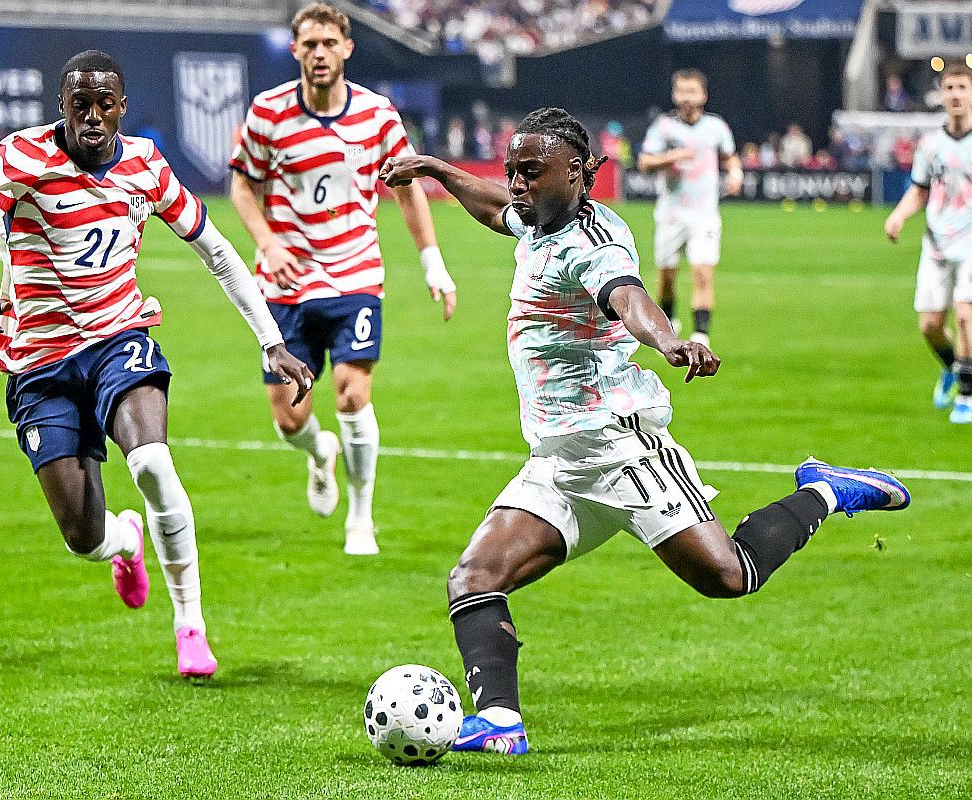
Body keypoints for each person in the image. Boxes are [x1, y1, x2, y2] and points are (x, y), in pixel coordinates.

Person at [381, 107, 911, 755]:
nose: (517, 184)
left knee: (729, 576)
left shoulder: (591, 245)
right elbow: (495, 208)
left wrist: (669, 340)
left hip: (621, 447)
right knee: (473, 579)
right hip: (559, 460)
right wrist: (436, 169)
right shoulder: (540, 218)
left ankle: (825, 490)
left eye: (531, 172)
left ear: (578, 173)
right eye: (513, 170)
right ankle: (499, 721)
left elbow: (628, 297)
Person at [0, 50, 313, 676]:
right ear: (62, 106)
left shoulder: (145, 164)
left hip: (119, 338)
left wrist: (270, 340)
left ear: (121, 108)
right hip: (38, 362)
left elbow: (218, 253)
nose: (93, 116)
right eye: (80, 104)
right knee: (81, 537)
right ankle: (124, 542)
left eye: (104, 105)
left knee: (152, 462)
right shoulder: (20, 157)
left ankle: (190, 625)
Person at [228, 2, 457, 556]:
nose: (320, 53)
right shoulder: (268, 113)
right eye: (309, 44)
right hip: (284, 285)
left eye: (329, 43)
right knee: (289, 418)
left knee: (353, 396)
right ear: (295, 50)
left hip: (355, 274)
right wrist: (268, 242)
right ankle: (318, 452)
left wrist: (432, 262)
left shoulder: (377, 115)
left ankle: (361, 518)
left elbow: (408, 188)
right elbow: (241, 185)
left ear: (347, 48)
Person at [884, 62, 972, 425]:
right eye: (949, 88)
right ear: (941, 96)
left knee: (965, 313)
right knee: (929, 325)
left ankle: (966, 398)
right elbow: (920, 190)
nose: (955, 94)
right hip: (938, 244)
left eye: (962, 88)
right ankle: (952, 367)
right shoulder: (931, 145)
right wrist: (898, 216)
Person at [638, 68, 742, 345]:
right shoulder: (664, 127)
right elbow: (645, 162)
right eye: (681, 91)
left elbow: (729, 157)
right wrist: (672, 156)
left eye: (692, 91)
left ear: (703, 95)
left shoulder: (716, 127)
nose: (686, 97)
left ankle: (701, 336)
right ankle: (669, 321)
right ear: (674, 95)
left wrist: (735, 173)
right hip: (670, 215)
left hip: (704, 215)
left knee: (703, 273)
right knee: (666, 278)